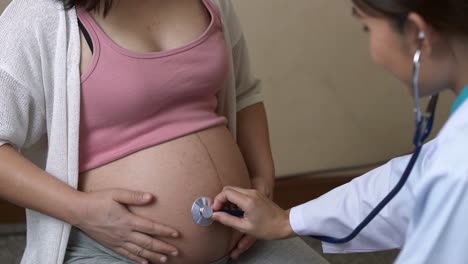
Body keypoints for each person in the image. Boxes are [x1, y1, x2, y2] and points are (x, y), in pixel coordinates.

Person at [0, 0, 328, 263]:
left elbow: (244, 93)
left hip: (242, 237)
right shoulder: (40, 14)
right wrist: (84, 212)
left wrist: (262, 179)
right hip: (108, 248)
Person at [211, 0, 468, 263]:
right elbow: (410, 182)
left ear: (418, 33)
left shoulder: (457, 171)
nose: (374, 54)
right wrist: (288, 221)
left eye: (367, 28)